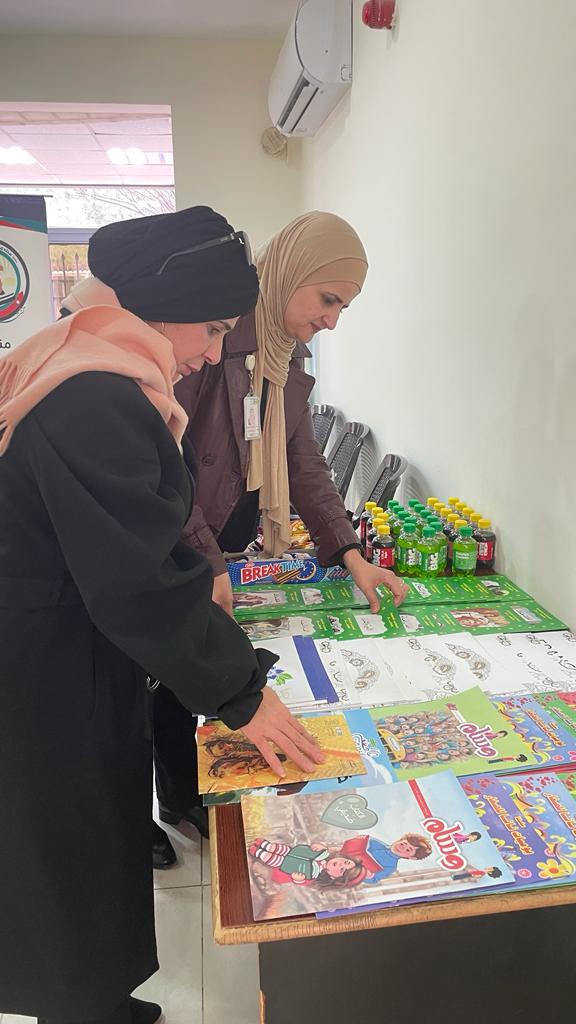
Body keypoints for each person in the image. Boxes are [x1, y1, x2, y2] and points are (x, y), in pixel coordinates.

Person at [0, 206, 324, 1024]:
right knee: (65, 851)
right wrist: (243, 692)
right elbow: (136, 580)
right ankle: (85, 1009)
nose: (212, 354)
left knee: (90, 838)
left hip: (67, 645)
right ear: (163, 307)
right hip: (45, 668)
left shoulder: (84, 361)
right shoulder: (94, 397)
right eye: (210, 330)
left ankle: (99, 1001)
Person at [152, 212, 410, 866]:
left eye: (343, 306)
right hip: (177, 530)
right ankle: (170, 798)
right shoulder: (213, 337)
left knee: (203, 664)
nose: (332, 320)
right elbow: (165, 460)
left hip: (228, 531)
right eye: (328, 299)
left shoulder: (285, 355)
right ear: (289, 275)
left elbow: (303, 460)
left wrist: (349, 552)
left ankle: (192, 786)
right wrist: (206, 560)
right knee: (164, 669)